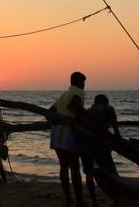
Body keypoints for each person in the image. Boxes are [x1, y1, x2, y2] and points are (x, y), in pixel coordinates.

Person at [49, 71, 86, 205]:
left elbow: (50, 111)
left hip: (57, 132)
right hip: (68, 133)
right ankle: (80, 201)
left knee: (63, 166)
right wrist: (86, 116)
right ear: (77, 82)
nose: (84, 86)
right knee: (74, 167)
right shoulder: (78, 92)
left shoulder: (64, 95)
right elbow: (74, 106)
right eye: (83, 82)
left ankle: (69, 199)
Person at [77, 94, 120, 207]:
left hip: (84, 146)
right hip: (100, 146)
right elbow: (116, 131)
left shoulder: (87, 111)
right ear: (106, 102)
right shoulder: (109, 109)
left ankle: (94, 202)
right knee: (111, 173)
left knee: (89, 174)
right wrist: (118, 142)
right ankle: (116, 199)